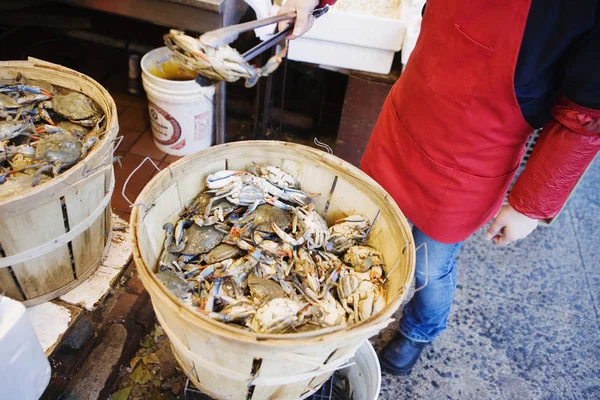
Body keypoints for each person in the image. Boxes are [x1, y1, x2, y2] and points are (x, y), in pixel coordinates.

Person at [278, 0, 600, 375]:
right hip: (408, 116)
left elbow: (584, 116)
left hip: (474, 160)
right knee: (363, 233)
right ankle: (353, 313)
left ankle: (420, 329)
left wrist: (530, 205)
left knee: (429, 267)